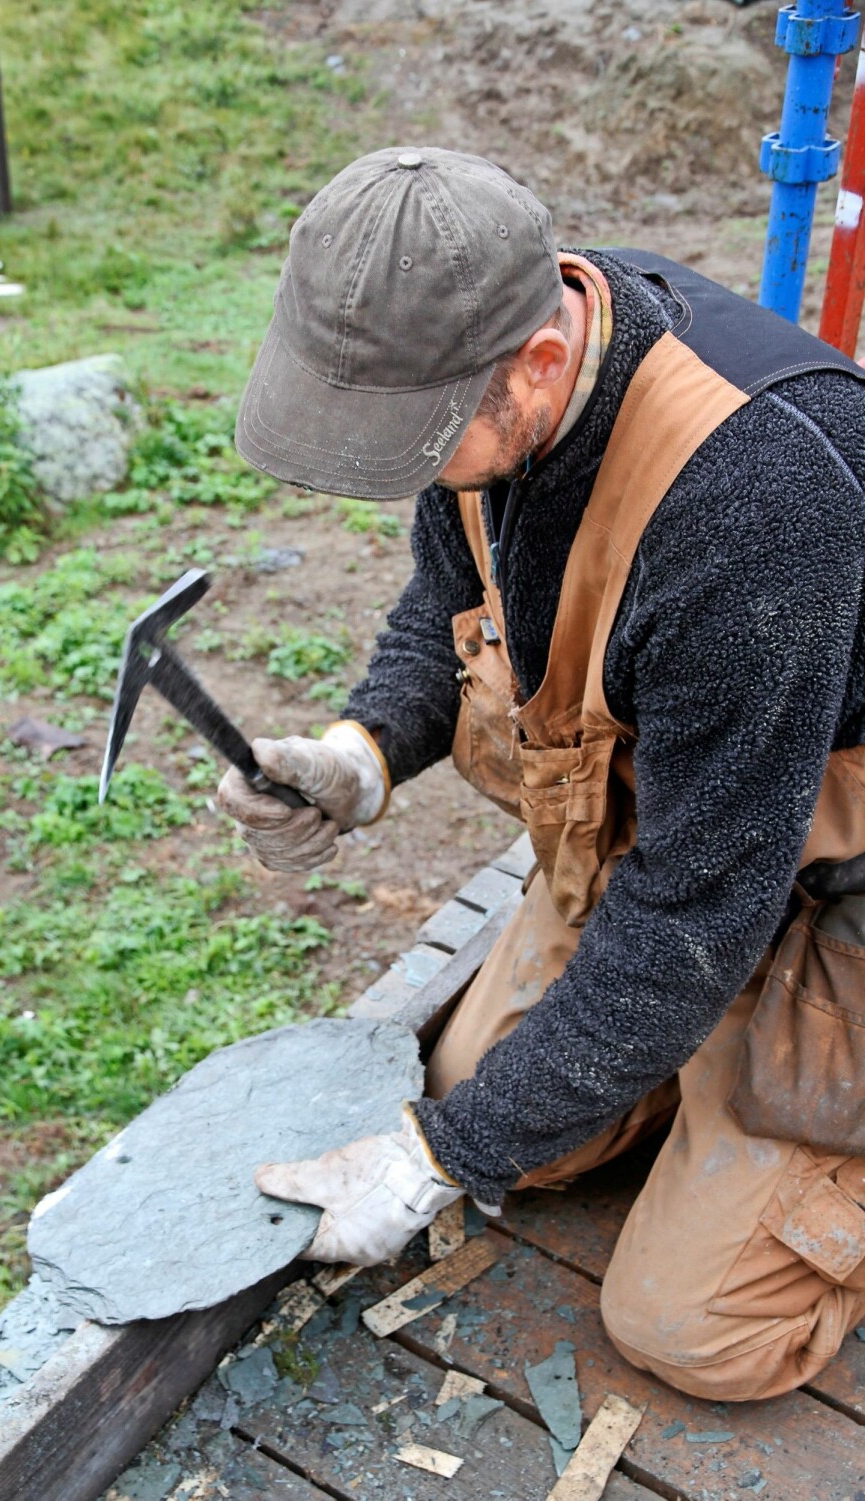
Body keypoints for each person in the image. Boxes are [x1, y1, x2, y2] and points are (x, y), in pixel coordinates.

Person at [217, 147, 865, 1402]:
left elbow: (695, 915)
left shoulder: (760, 502)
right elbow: (449, 598)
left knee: (692, 1332)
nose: (404, 469)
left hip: (825, 892)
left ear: (540, 363)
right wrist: (362, 752)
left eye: (413, 442)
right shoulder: (488, 394)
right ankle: (688, 1083)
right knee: (483, 1099)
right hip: (690, 836)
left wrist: (433, 1162)